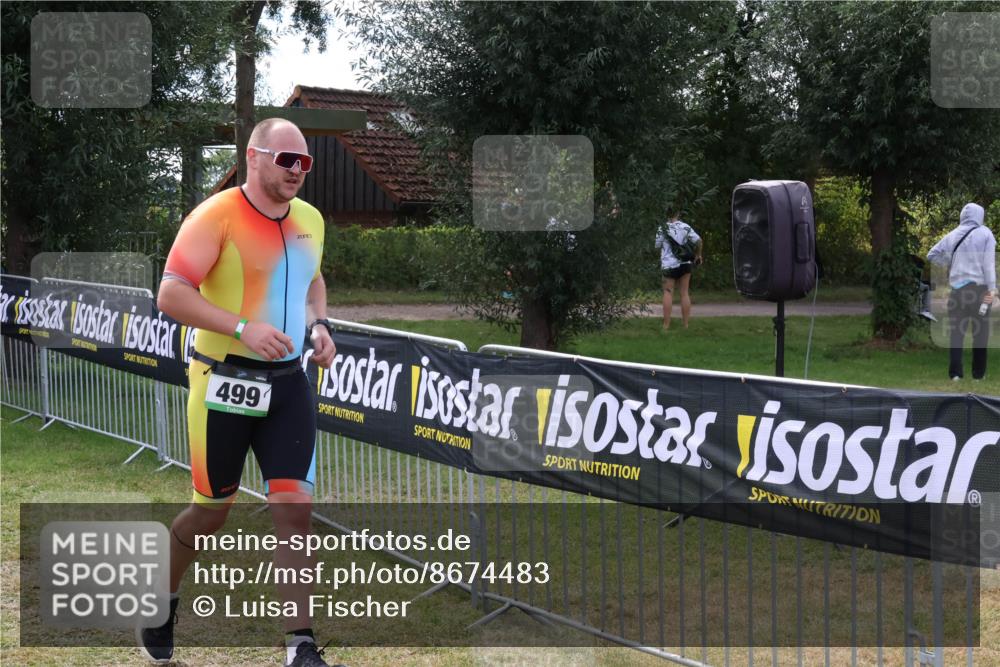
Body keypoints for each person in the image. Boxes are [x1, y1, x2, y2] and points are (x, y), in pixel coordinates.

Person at [140, 118, 341, 667]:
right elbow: (171, 294)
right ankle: (162, 599)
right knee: (211, 512)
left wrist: (320, 326)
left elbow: (312, 279)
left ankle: (300, 645)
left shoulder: (310, 220)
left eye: (305, 163)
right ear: (254, 157)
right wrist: (240, 327)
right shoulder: (215, 215)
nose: (297, 170)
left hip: (289, 385)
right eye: (286, 160)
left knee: (294, 509)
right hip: (223, 380)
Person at [927, 202, 997, 381]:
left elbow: (931, 254)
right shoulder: (986, 234)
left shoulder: (952, 235)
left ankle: (955, 375)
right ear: (979, 215)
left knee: (956, 334)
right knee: (980, 334)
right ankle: (978, 375)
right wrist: (992, 289)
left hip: (957, 291)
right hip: (980, 291)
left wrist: (949, 261)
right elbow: (988, 265)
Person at [655, 210, 703, 330]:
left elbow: (657, 245)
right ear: (678, 214)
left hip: (669, 265)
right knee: (684, 293)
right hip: (685, 264)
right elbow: (699, 241)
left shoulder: (662, 228)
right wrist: (698, 255)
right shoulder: (685, 226)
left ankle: (666, 326)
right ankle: (686, 325)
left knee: (668, 292)